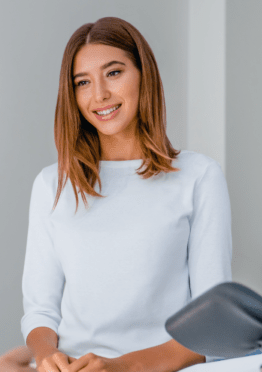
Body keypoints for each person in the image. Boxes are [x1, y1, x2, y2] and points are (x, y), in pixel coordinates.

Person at [19, 17, 232, 372]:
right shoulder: (51, 186)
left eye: (113, 73)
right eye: (82, 82)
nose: (99, 94)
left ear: (143, 75)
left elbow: (213, 326)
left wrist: (119, 367)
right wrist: (45, 356)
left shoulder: (199, 177)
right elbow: (41, 311)